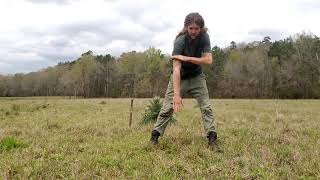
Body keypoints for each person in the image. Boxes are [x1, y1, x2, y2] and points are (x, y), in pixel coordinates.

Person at [150, 12, 220, 151]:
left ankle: (212, 138)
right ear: (186, 27)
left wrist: (187, 58)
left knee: (206, 107)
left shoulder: (204, 37)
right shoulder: (180, 41)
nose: (194, 31)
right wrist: (176, 94)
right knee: (167, 108)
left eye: (197, 28)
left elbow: (208, 60)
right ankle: (155, 136)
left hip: (197, 77)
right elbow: (176, 69)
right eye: (191, 28)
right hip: (180, 77)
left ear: (201, 28)